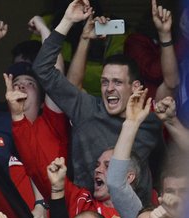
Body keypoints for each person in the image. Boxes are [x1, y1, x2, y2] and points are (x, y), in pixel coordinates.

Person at [32, 0, 162, 191]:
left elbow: (164, 166)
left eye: (117, 82)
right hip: (89, 213)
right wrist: (68, 21)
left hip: (134, 217)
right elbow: (42, 69)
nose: (109, 88)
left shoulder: (150, 122)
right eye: (104, 82)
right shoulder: (86, 108)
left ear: (135, 87)